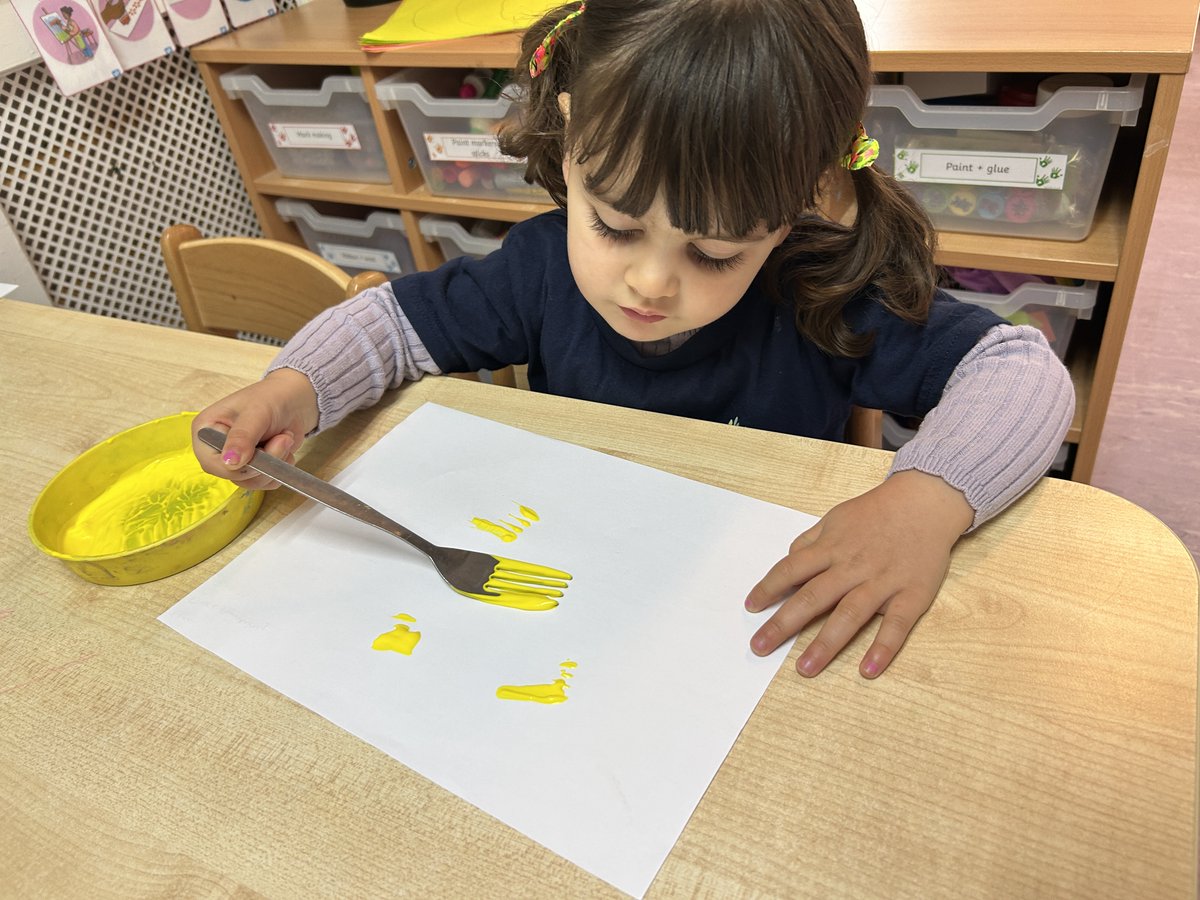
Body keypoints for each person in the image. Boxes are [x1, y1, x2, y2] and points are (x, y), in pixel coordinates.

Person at [191, 0, 1073, 680]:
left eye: (714, 251)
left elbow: (1022, 369)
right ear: (571, 135)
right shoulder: (535, 269)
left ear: (804, 197)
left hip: (745, 622)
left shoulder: (821, 291)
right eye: (613, 226)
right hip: (585, 602)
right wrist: (296, 386)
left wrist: (924, 502)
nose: (650, 282)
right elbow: (392, 322)